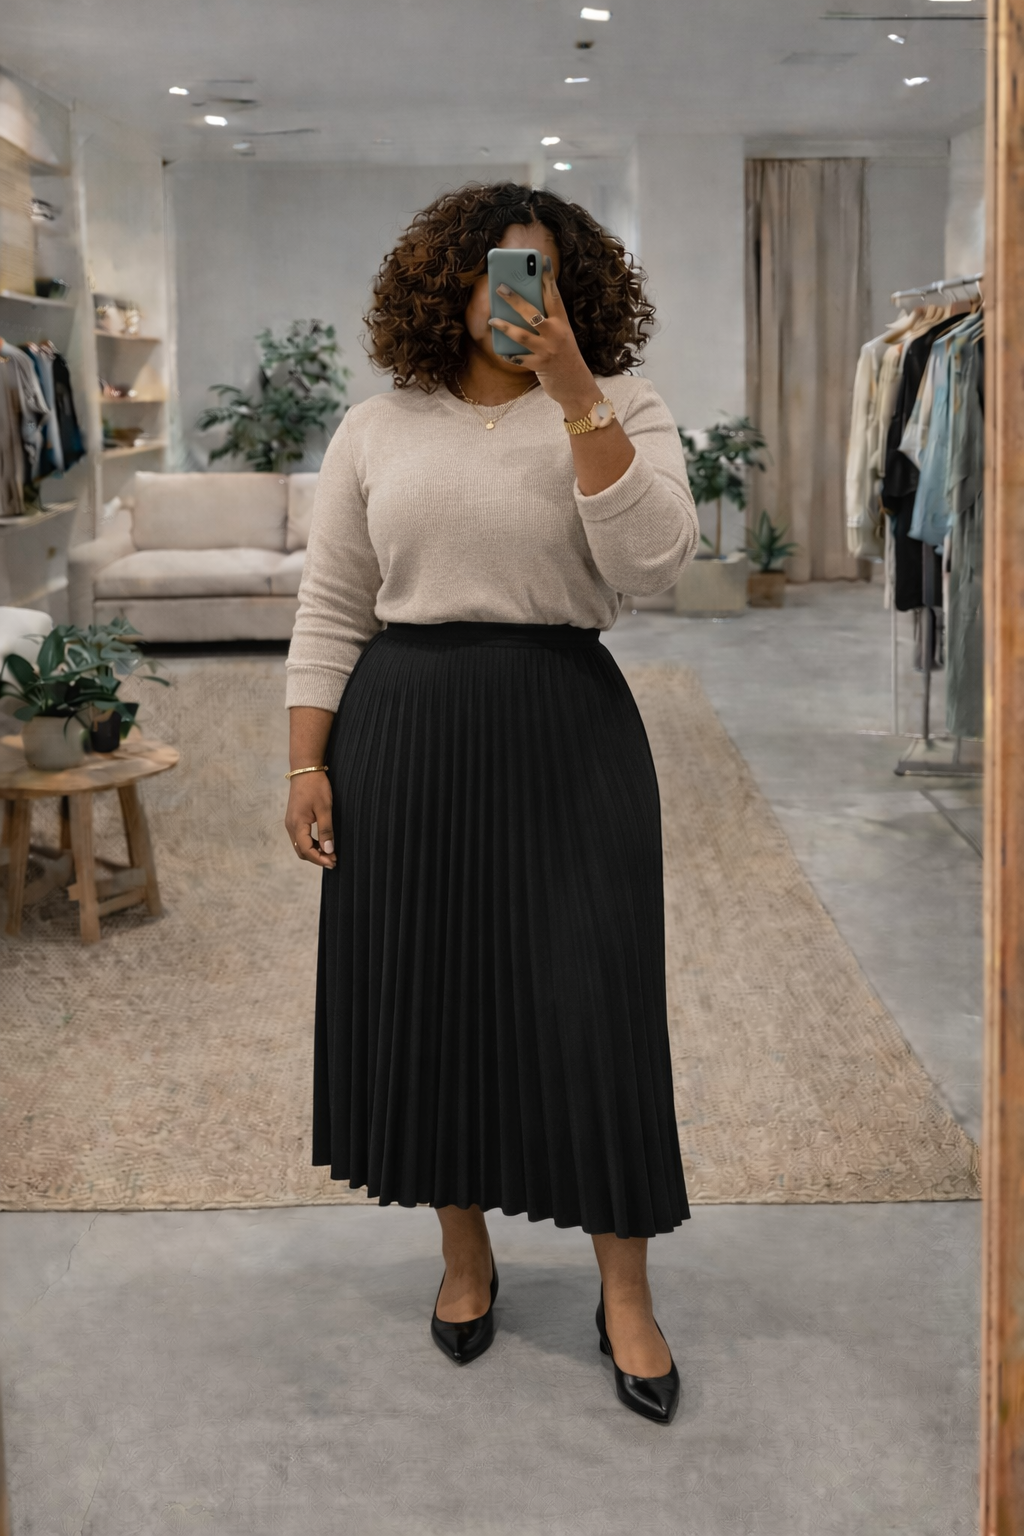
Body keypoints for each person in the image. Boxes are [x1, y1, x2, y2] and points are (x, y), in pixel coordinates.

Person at [284, 182, 699, 1425]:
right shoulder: (377, 426)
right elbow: (331, 604)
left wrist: (578, 399)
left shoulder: (621, 407)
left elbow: (656, 564)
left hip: (567, 727)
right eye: (496, 271)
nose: (519, 295)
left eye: (545, 274)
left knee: (595, 1004)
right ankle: (465, 1260)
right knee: (432, 994)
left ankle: (624, 1293)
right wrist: (306, 760)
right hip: (403, 731)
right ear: (444, 282)